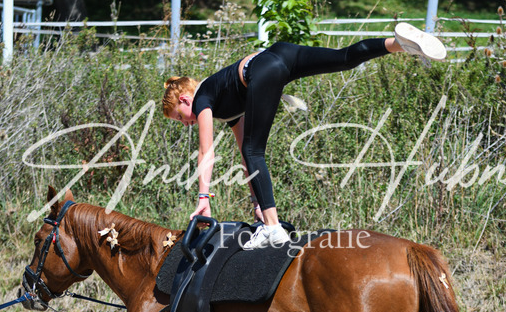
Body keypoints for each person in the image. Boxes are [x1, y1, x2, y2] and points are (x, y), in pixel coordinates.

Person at [162, 23, 446, 249]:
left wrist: (204, 196)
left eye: (178, 117)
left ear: (185, 100)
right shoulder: (225, 101)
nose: (185, 123)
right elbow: (245, 159)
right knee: (343, 58)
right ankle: (398, 44)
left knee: (254, 151)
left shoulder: (202, 100)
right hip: (280, 54)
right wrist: (257, 205)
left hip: (262, 69)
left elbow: (206, 152)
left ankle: (272, 230)